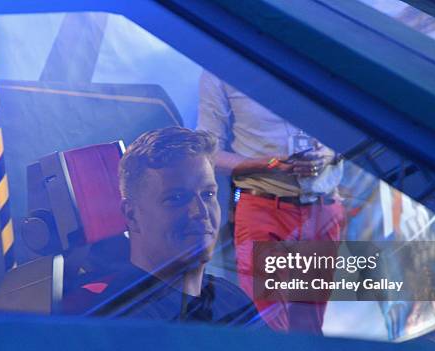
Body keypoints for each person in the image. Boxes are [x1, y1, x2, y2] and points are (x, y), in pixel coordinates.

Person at [63, 127, 262, 327]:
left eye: (208, 194)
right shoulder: (121, 318)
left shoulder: (232, 299)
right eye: (176, 198)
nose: (200, 211)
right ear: (131, 215)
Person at [197, 70, 345, 333]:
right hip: (263, 209)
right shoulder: (219, 70)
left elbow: (350, 123)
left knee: (309, 328)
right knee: (266, 326)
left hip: (323, 207)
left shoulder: (318, 55)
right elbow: (209, 153)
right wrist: (270, 166)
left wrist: (328, 153)